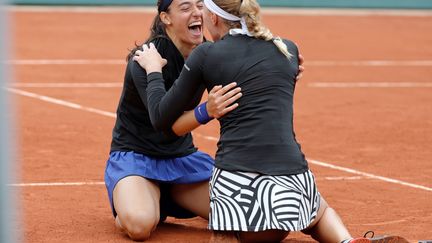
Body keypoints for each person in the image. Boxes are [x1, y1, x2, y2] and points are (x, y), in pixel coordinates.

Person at [132, 0, 410, 242]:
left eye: (204, 11)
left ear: (214, 18)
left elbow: (161, 117)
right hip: (295, 198)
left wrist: (154, 71)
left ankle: (229, 233)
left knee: (227, 229)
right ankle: (347, 240)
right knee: (319, 210)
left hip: (246, 215)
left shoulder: (207, 54)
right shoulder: (287, 49)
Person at [104, 0, 305, 241]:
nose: (197, 13)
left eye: (200, 5)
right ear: (166, 18)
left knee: (245, 221)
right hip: (137, 157)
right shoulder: (147, 59)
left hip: (181, 161)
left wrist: (282, 66)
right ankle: (138, 201)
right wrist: (206, 111)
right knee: (139, 225)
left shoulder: (207, 54)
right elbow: (165, 126)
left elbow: (246, 75)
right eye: (185, 7)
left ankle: (166, 197)